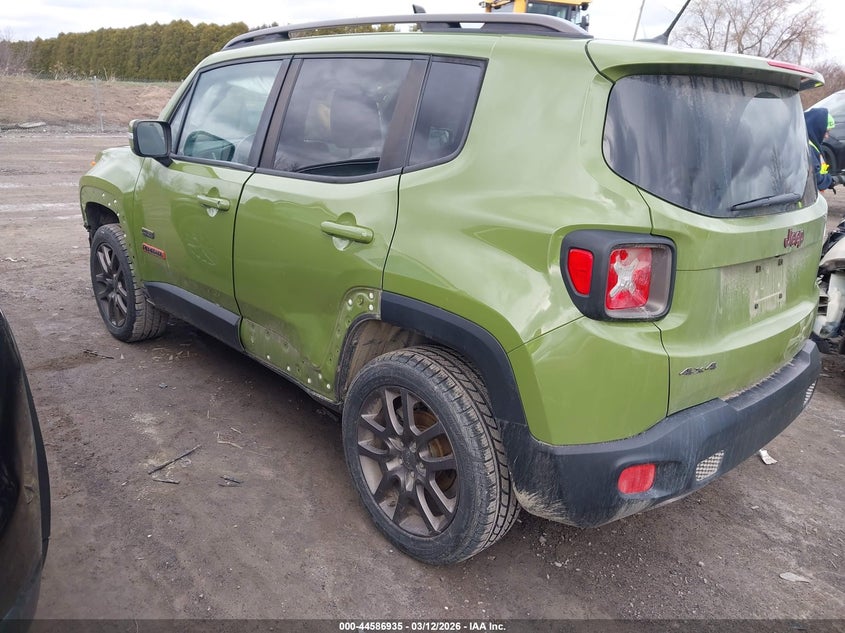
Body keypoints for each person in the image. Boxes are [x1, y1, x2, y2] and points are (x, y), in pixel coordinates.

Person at [805, 107, 845, 191]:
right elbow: (816, 178)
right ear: (817, 128)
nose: (827, 136)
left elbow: (821, 171)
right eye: (825, 131)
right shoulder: (808, 148)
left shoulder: (813, 144)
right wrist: (835, 179)